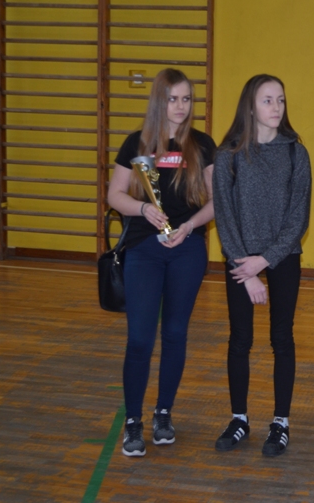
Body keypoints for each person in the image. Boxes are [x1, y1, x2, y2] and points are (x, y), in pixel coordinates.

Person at [107, 68, 216, 457]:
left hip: (187, 249)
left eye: (186, 99)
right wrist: (142, 209)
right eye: (173, 99)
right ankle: (133, 421)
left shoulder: (202, 145)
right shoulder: (136, 143)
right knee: (140, 338)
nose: (180, 106)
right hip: (144, 250)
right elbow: (114, 195)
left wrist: (189, 226)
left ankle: (163, 413)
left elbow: (217, 201)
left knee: (174, 334)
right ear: (159, 101)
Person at [212, 74, 311, 457]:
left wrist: (265, 261)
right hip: (240, 258)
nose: (276, 107)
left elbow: (298, 217)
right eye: (267, 100)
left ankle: (280, 422)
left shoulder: (296, 153)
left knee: (282, 338)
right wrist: (247, 269)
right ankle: (239, 419)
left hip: (283, 256)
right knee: (240, 340)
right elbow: (225, 215)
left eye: (280, 100)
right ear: (250, 107)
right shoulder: (229, 154)